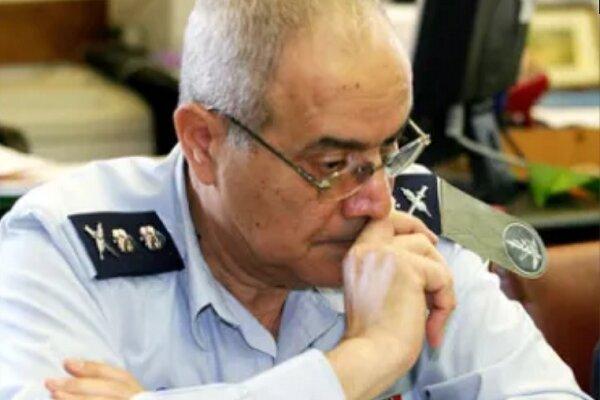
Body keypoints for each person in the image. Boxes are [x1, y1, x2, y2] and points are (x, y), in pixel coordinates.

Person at [0, 1, 589, 399]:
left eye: (390, 150)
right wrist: (366, 358)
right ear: (203, 143)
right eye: (332, 166)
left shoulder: (411, 231)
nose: (376, 199)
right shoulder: (62, 245)